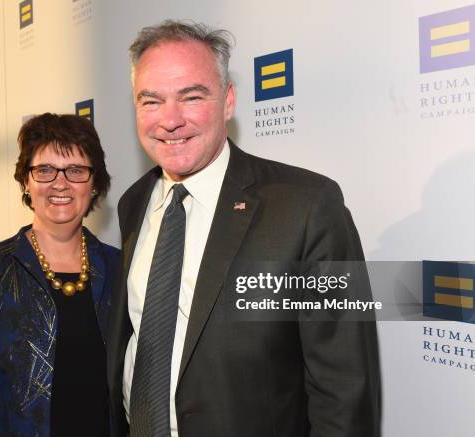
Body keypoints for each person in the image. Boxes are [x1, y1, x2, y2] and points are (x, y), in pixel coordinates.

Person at [106, 21, 381, 437]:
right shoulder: (134, 202)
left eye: (191, 96)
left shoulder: (307, 207)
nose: (170, 120)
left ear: (228, 100)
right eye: (151, 101)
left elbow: (345, 387)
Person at [0, 113, 119, 436]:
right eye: (44, 170)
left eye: (76, 170)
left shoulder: (119, 269)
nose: (60, 183)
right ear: (26, 182)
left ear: (95, 182)